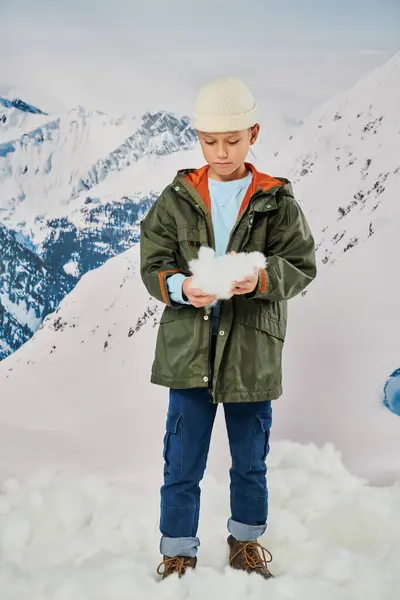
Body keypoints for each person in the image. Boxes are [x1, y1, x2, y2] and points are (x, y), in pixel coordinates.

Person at [140, 77, 317, 580]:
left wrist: (261, 278)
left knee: (249, 459)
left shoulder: (276, 200)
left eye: (233, 140)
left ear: (254, 133)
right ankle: (177, 549)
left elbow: (301, 263)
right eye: (210, 141)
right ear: (198, 137)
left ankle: (245, 543)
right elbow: (152, 260)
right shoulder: (176, 198)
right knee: (182, 458)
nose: (221, 152)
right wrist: (178, 287)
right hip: (188, 349)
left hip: (250, 350)